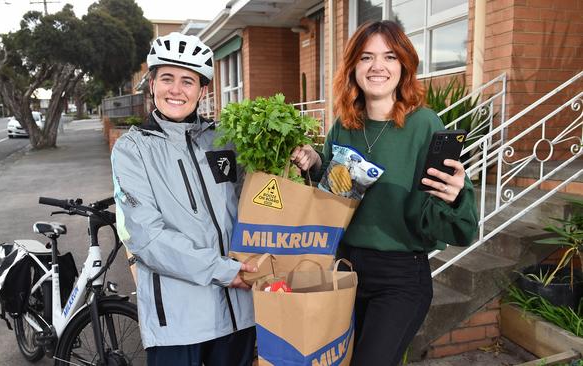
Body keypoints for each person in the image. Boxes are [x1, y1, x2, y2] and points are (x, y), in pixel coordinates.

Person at [291, 21, 478, 366]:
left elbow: (461, 225)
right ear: (353, 67)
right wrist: (317, 162)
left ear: (403, 65)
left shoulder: (425, 124)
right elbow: (335, 194)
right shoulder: (343, 126)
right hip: (344, 267)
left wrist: (455, 197)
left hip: (400, 277)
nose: (377, 66)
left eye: (389, 56)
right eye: (366, 57)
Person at [111, 32, 256, 366]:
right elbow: (147, 238)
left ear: (202, 90)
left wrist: (308, 159)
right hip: (177, 323)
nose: (176, 90)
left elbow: (256, 200)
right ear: (151, 84)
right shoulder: (133, 149)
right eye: (167, 78)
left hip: (239, 313)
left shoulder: (224, 140)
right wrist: (223, 270)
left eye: (188, 81)